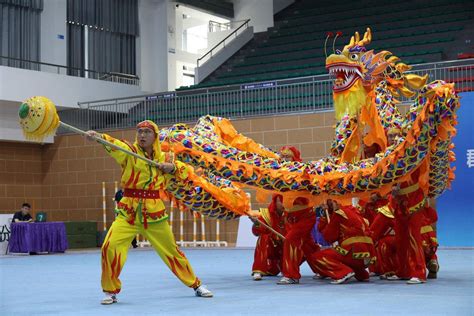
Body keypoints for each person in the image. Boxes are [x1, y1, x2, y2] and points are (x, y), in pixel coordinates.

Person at [86, 120, 212, 305]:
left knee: (172, 252)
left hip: (154, 214)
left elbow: (187, 172)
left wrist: (173, 168)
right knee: (109, 246)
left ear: (154, 136)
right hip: (128, 212)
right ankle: (110, 291)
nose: (142, 135)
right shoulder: (129, 152)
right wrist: (98, 137)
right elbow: (114, 145)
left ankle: (196, 284)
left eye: (146, 132)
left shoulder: (165, 158)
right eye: (139, 132)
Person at [276, 146, 320, 285]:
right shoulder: (279, 174)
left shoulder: (303, 173)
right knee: (308, 246)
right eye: (283, 157)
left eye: (287, 157)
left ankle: (291, 275)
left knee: (290, 240)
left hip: (305, 216)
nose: (285, 160)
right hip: (290, 217)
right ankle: (329, 269)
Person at [309, 199, 375, 284]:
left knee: (317, 256)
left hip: (353, 251)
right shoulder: (354, 212)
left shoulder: (339, 213)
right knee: (342, 252)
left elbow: (329, 237)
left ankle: (343, 273)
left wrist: (324, 218)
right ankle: (361, 273)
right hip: (369, 254)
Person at [250, 195, 285, 281]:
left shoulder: (290, 213)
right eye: (280, 201)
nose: (283, 204)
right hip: (272, 247)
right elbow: (257, 232)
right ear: (274, 202)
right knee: (263, 237)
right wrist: (256, 223)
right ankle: (258, 270)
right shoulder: (266, 214)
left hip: (286, 248)